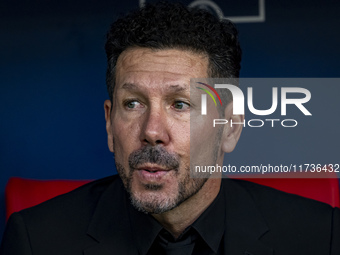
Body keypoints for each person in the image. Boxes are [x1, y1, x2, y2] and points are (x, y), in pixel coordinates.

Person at [1, 2, 339, 255]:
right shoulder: (37, 240)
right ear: (108, 122)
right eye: (133, 103)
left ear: (231, 128)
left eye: (180, 104)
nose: (152, 130)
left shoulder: (320, 236)